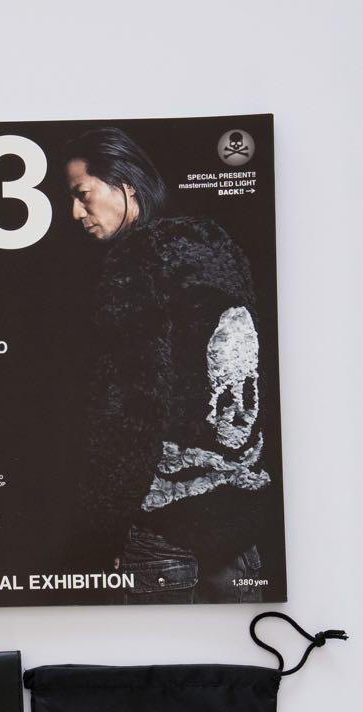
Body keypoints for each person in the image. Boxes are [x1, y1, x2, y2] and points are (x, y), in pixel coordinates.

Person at [63, 127, 271, 603]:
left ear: (126, 185)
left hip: (160, 532)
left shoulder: (135, 262)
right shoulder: (216, 249)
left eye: (82, 194)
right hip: (238, 528)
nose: (75, 213)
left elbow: (131, 408)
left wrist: (103, 530)